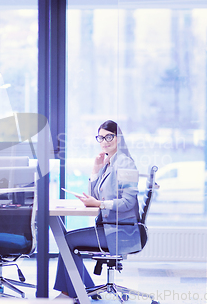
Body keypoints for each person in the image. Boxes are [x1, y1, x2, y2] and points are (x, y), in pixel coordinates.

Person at [54, 120, 143, 299]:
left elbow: (127, 202)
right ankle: (81, 289)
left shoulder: (125, 163)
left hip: (121, 230)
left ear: (119, 138)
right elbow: (93, 194)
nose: (105, 141)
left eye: (109, 136)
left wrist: (100, 204)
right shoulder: (110, 163)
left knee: (68, 240)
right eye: (101, 138)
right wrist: (96, 169)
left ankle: (76, 291)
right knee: (67, 239)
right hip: (110, 226)